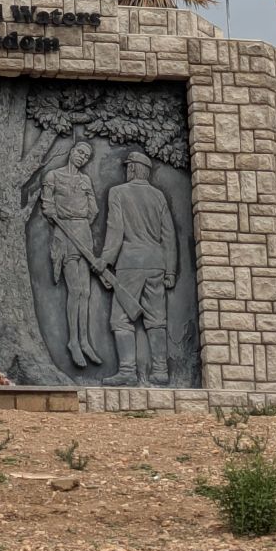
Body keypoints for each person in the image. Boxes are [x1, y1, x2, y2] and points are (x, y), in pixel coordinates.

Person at [100, 151, 178, 387]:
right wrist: (170, 270)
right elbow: (168, 235)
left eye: (128, 167)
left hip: (130, 264)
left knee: (121, 319)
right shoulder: (158, 196)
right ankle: (160, 371)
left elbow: (115, 230)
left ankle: (127, 371)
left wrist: (105, 261)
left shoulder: (118, 192)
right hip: (156, 263)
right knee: (156, 319)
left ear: (133, 168)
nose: (126, 170)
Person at [41, 141, 101, 369]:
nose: (82, 157)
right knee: (74, 290)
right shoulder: (53, 176)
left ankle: (85, 340)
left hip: (83, 232)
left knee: (86, 291)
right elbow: (47, 206)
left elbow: (93, 209)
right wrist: (61, 218)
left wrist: (80, 221)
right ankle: (73, 341)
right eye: (80, 152)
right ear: (72, 151)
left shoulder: (85, 180)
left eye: (86, 156)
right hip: (64, 233)